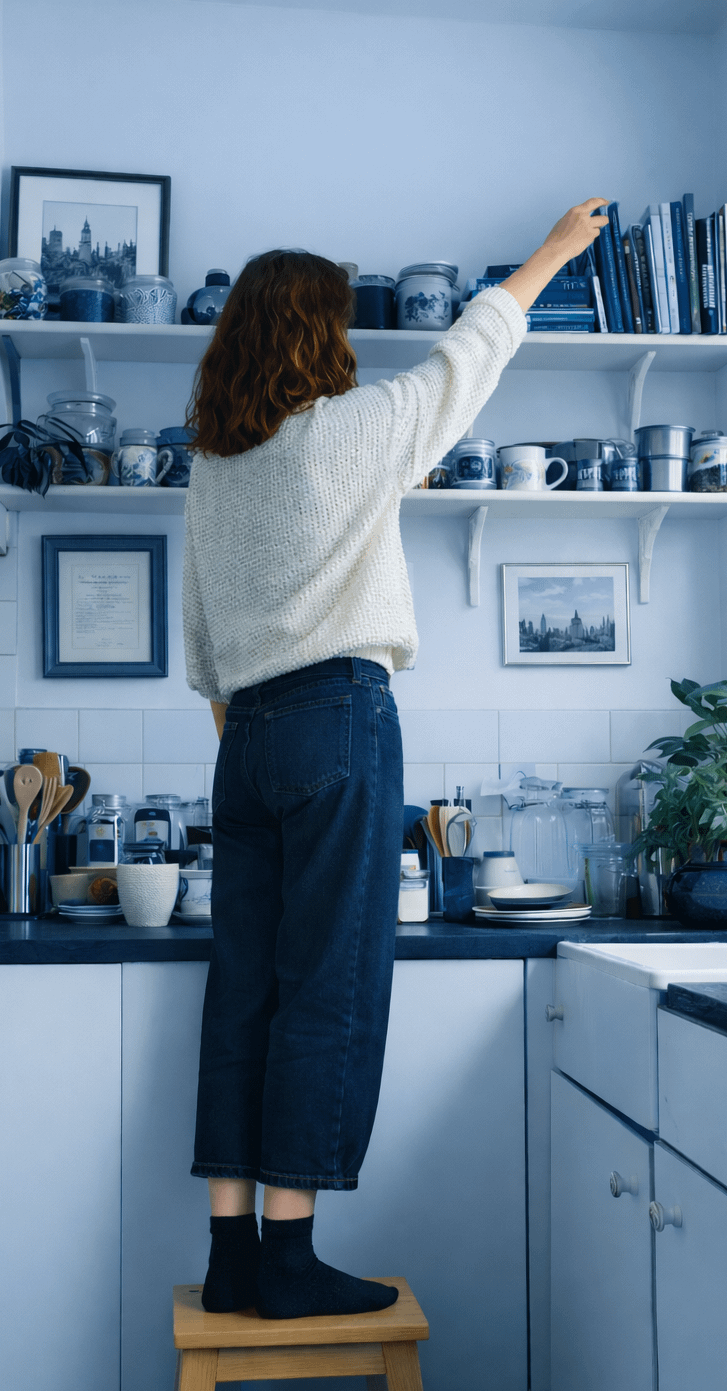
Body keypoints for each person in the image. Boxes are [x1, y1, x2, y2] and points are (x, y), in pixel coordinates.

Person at [182, 198, 609, 1320]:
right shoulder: (354, 428)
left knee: (245, 993)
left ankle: (231, 1255)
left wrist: (260, 740)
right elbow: (470, 351)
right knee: (329, 986)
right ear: (318, 338)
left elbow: (203, 653)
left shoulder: (215, 472)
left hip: (247, 743)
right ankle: (288, 1255)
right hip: (337, 714)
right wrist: (558, 251)